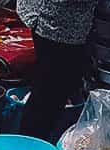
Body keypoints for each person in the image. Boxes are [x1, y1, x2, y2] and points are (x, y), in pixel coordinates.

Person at [16, 0, 94, 140]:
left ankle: (34, 144)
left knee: (53, 90)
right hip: (56, 23)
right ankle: (31, 149)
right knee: (50, 92)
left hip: (65, 23)